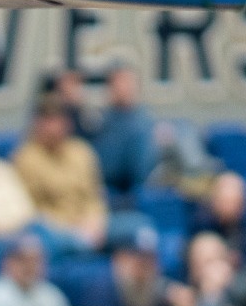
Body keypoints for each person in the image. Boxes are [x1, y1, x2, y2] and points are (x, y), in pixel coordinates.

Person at [11, 99, 107, 252]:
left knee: (137, 228)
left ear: (67, 124)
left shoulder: (82, 151)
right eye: (48, 121)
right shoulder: (26, 158)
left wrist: (95, 221)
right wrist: (72, 227)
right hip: (54, 229)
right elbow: (32, 209)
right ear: (38, 124)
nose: (54, 128)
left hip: (89, 224)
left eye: (58, 121)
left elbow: (94, 197)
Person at [92, 65, 155, 194]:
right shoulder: (100, 121)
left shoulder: (143, 119)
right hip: (111, 186)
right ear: (110, 87)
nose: (124, 88)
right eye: (119, 82)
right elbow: (104, 166)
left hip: (141, 185)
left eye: (128, 82)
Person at [168, 232, 244, 306]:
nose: (211, 271)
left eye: (214, 261)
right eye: (204, 263)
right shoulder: (184, 303)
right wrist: (211, 296)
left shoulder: (244, 292)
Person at [110, 228, 172, 306]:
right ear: (119, 259)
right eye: (137, 260)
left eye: (149, 260)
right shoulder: (103, 291)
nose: (143, 268)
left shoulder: (167, 292)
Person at [193, 170, 246, 258]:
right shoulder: (199, 227)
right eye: (226, 202)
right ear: (214, 201)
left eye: (235, 202)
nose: (231, 208)